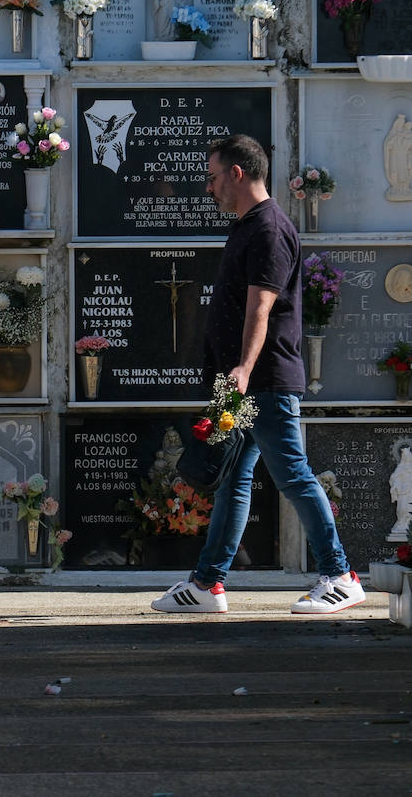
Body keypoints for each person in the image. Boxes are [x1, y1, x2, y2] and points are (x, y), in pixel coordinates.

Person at [152, 134, 366, 615]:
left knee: (291, 473)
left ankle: (340, 574)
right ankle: (208, 584)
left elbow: (260, 308)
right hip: (247, 381)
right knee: (234, 478)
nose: (207, 189)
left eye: (211, 178)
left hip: (262, 379)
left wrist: (244, 369)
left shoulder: (268, 229)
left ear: (236, 173)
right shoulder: (250, 226)